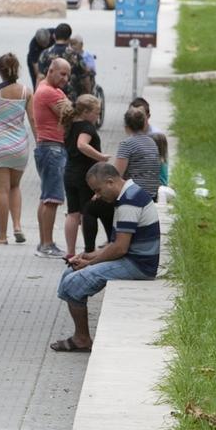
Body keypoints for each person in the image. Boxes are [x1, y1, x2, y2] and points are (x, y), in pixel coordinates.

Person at [50, 162, 160, 352]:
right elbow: (116, 245)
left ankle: (82, 339)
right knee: (69, 274)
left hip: (138, 265)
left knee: (74, 283)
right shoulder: (127, 195)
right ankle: (81, 336)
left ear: (110, 182)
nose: (96, 196)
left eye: (98, 190)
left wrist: (89, 263)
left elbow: (120, 248)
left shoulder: (129, 202)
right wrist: (87, 255)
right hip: (131, 258)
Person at [0, 53, 31, 245]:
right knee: (15, 186)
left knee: (1, 191)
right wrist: (40, 143)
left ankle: (2, 236)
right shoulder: (27, 92)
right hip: (19, 145)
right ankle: (17, 225)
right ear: (17, 69)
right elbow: (34, 120)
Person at [29, 58, 72, 258]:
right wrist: (70, 108)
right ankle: (47, 244)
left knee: (46, 197)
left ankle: (43, 242)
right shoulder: (49, 92)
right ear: (51, 70)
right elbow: (70, 114)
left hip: (47, 148)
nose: (66, 79)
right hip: (52, 149)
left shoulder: (48, 89)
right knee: (52, 199)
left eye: (68, 75)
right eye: (62, 74)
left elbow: (68, 108)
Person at [62, 94, 109, 256]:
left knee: (72, 213)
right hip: (85, 176)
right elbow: (82, 145)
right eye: (96, 112)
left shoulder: (70, 125)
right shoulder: (87, 127)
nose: (98, 116)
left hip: (69, 173)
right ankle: (89, 249)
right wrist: (101, 157)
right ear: (86, 112)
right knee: (87, 212)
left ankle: (70, 251)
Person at [114, 107, 162, 198]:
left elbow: (117, 174)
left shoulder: (127, 144)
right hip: (152, 193)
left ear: (126, 126)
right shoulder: (151, 142)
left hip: (134, 193)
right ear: (144, 124)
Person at [37, 24, 89, 99]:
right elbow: (85, 79)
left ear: (54, 36)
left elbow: (40, 77)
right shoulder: (76, 56)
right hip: (71, 100)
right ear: (69, 38)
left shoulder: (45, 54)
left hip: (49, 98)